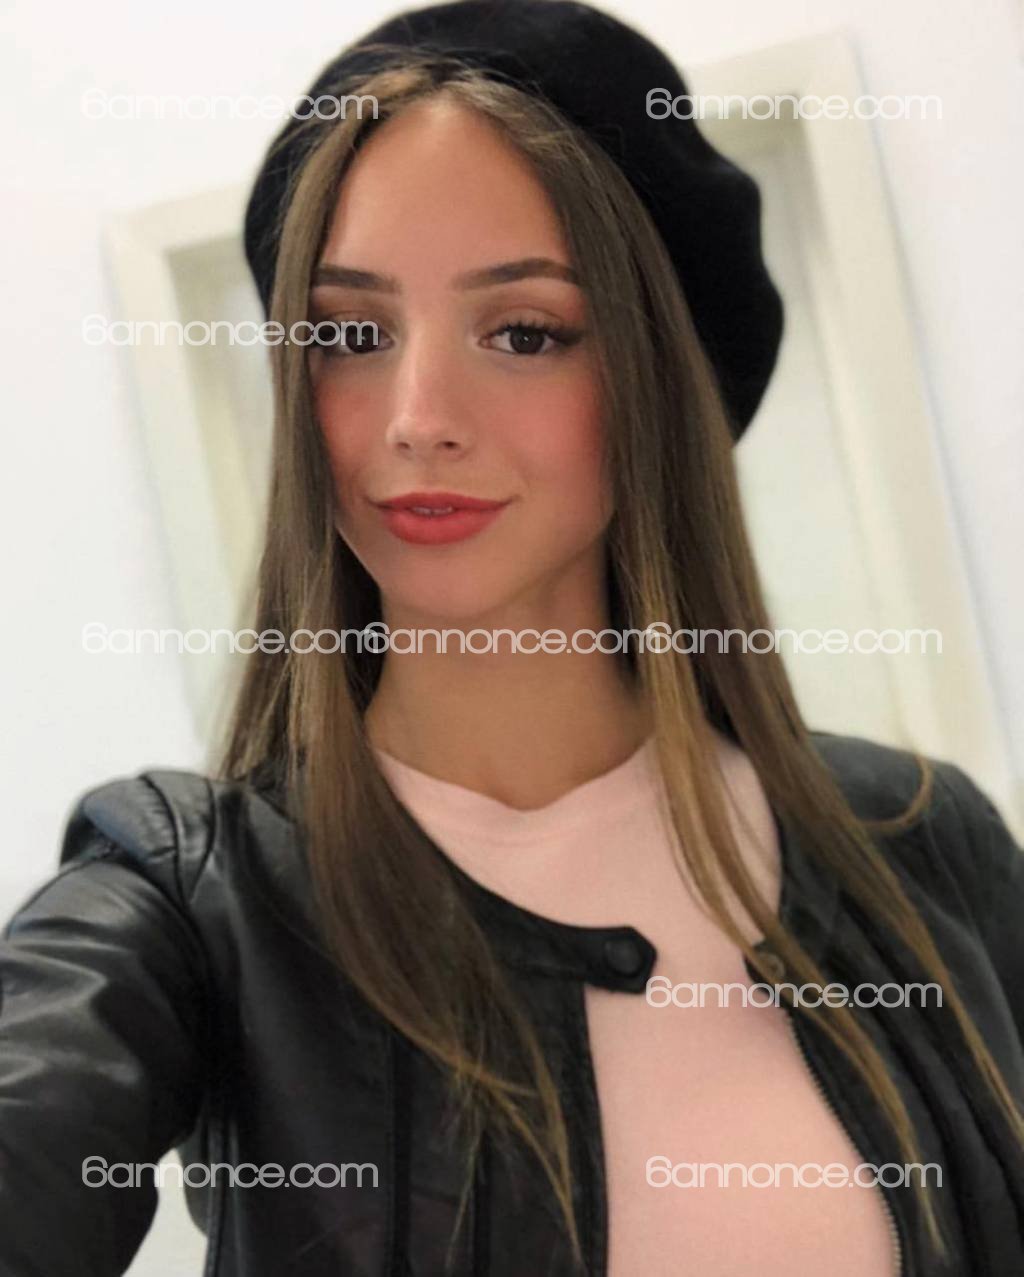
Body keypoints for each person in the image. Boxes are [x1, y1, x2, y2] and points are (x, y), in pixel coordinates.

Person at [2, 3, 1023, 1274]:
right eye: (349, 335)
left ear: (653, 385)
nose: (417, 415)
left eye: (524, 332)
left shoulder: (923, 844)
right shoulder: (189, 902)